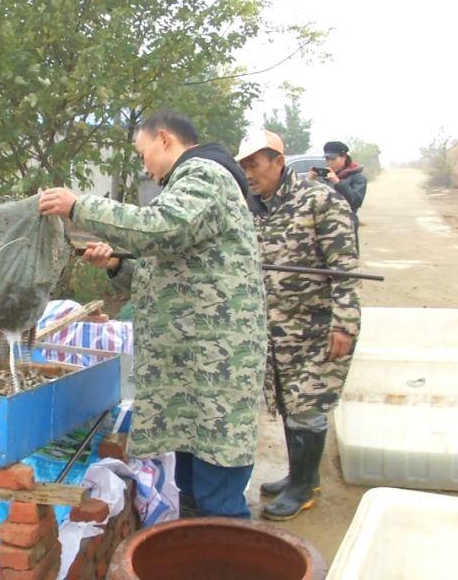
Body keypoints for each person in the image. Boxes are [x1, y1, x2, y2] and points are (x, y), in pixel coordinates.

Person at [39, 111, 267, 518]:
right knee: (194, 489)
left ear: (165, 140)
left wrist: (79, 207)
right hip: (194, 372)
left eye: (143, 154)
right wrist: (115, 266)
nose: (144, 165)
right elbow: (170, 267)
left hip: (217, 371)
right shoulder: (185, 182)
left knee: (219, 499)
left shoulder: (204, 174)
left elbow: (161, 229)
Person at [237, 129, 361, 521]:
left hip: (318, 328)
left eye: (254, 165)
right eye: (244, 168)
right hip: (278, 329)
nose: (249, 175)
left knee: (308, 407)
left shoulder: (319, 200)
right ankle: (299, 475)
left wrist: (344, 324)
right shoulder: (256, 207)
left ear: (277, 161)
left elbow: (344, 266)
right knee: (291, 404)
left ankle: (305, 486)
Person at [310, 141, 367, 237]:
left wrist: (337, 182)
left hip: (346, 224)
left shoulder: (358, 178)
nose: (330, 162)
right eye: (327, 159)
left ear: (344, 157)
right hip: (324, 224)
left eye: (333, 159)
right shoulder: (324, 176)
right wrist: (311, 181)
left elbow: (356, 202)